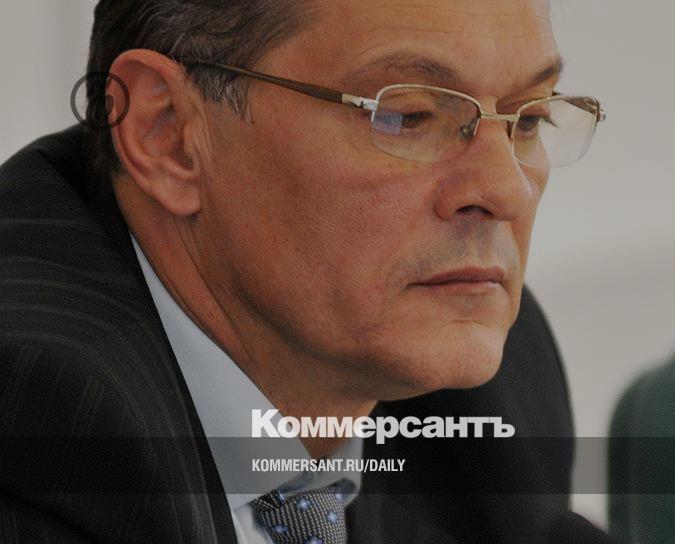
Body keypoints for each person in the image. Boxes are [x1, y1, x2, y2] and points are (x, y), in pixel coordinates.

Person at [0, 1, 616, 542]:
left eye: (527, 120)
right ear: (169, 135)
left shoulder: (484, 403)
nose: (506, 190)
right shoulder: (38, 424)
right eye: (407, 115)